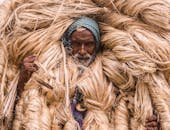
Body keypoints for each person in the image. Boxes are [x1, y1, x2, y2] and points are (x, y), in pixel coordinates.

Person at [16, 17, 159, 130]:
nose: (82, 50)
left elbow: (129, 106)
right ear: (67, 43)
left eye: (88, 44)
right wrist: (23, 76)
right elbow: (26, 102)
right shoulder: (53, 69)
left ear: (97, 44)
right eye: (76, 43)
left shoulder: (111, 72)